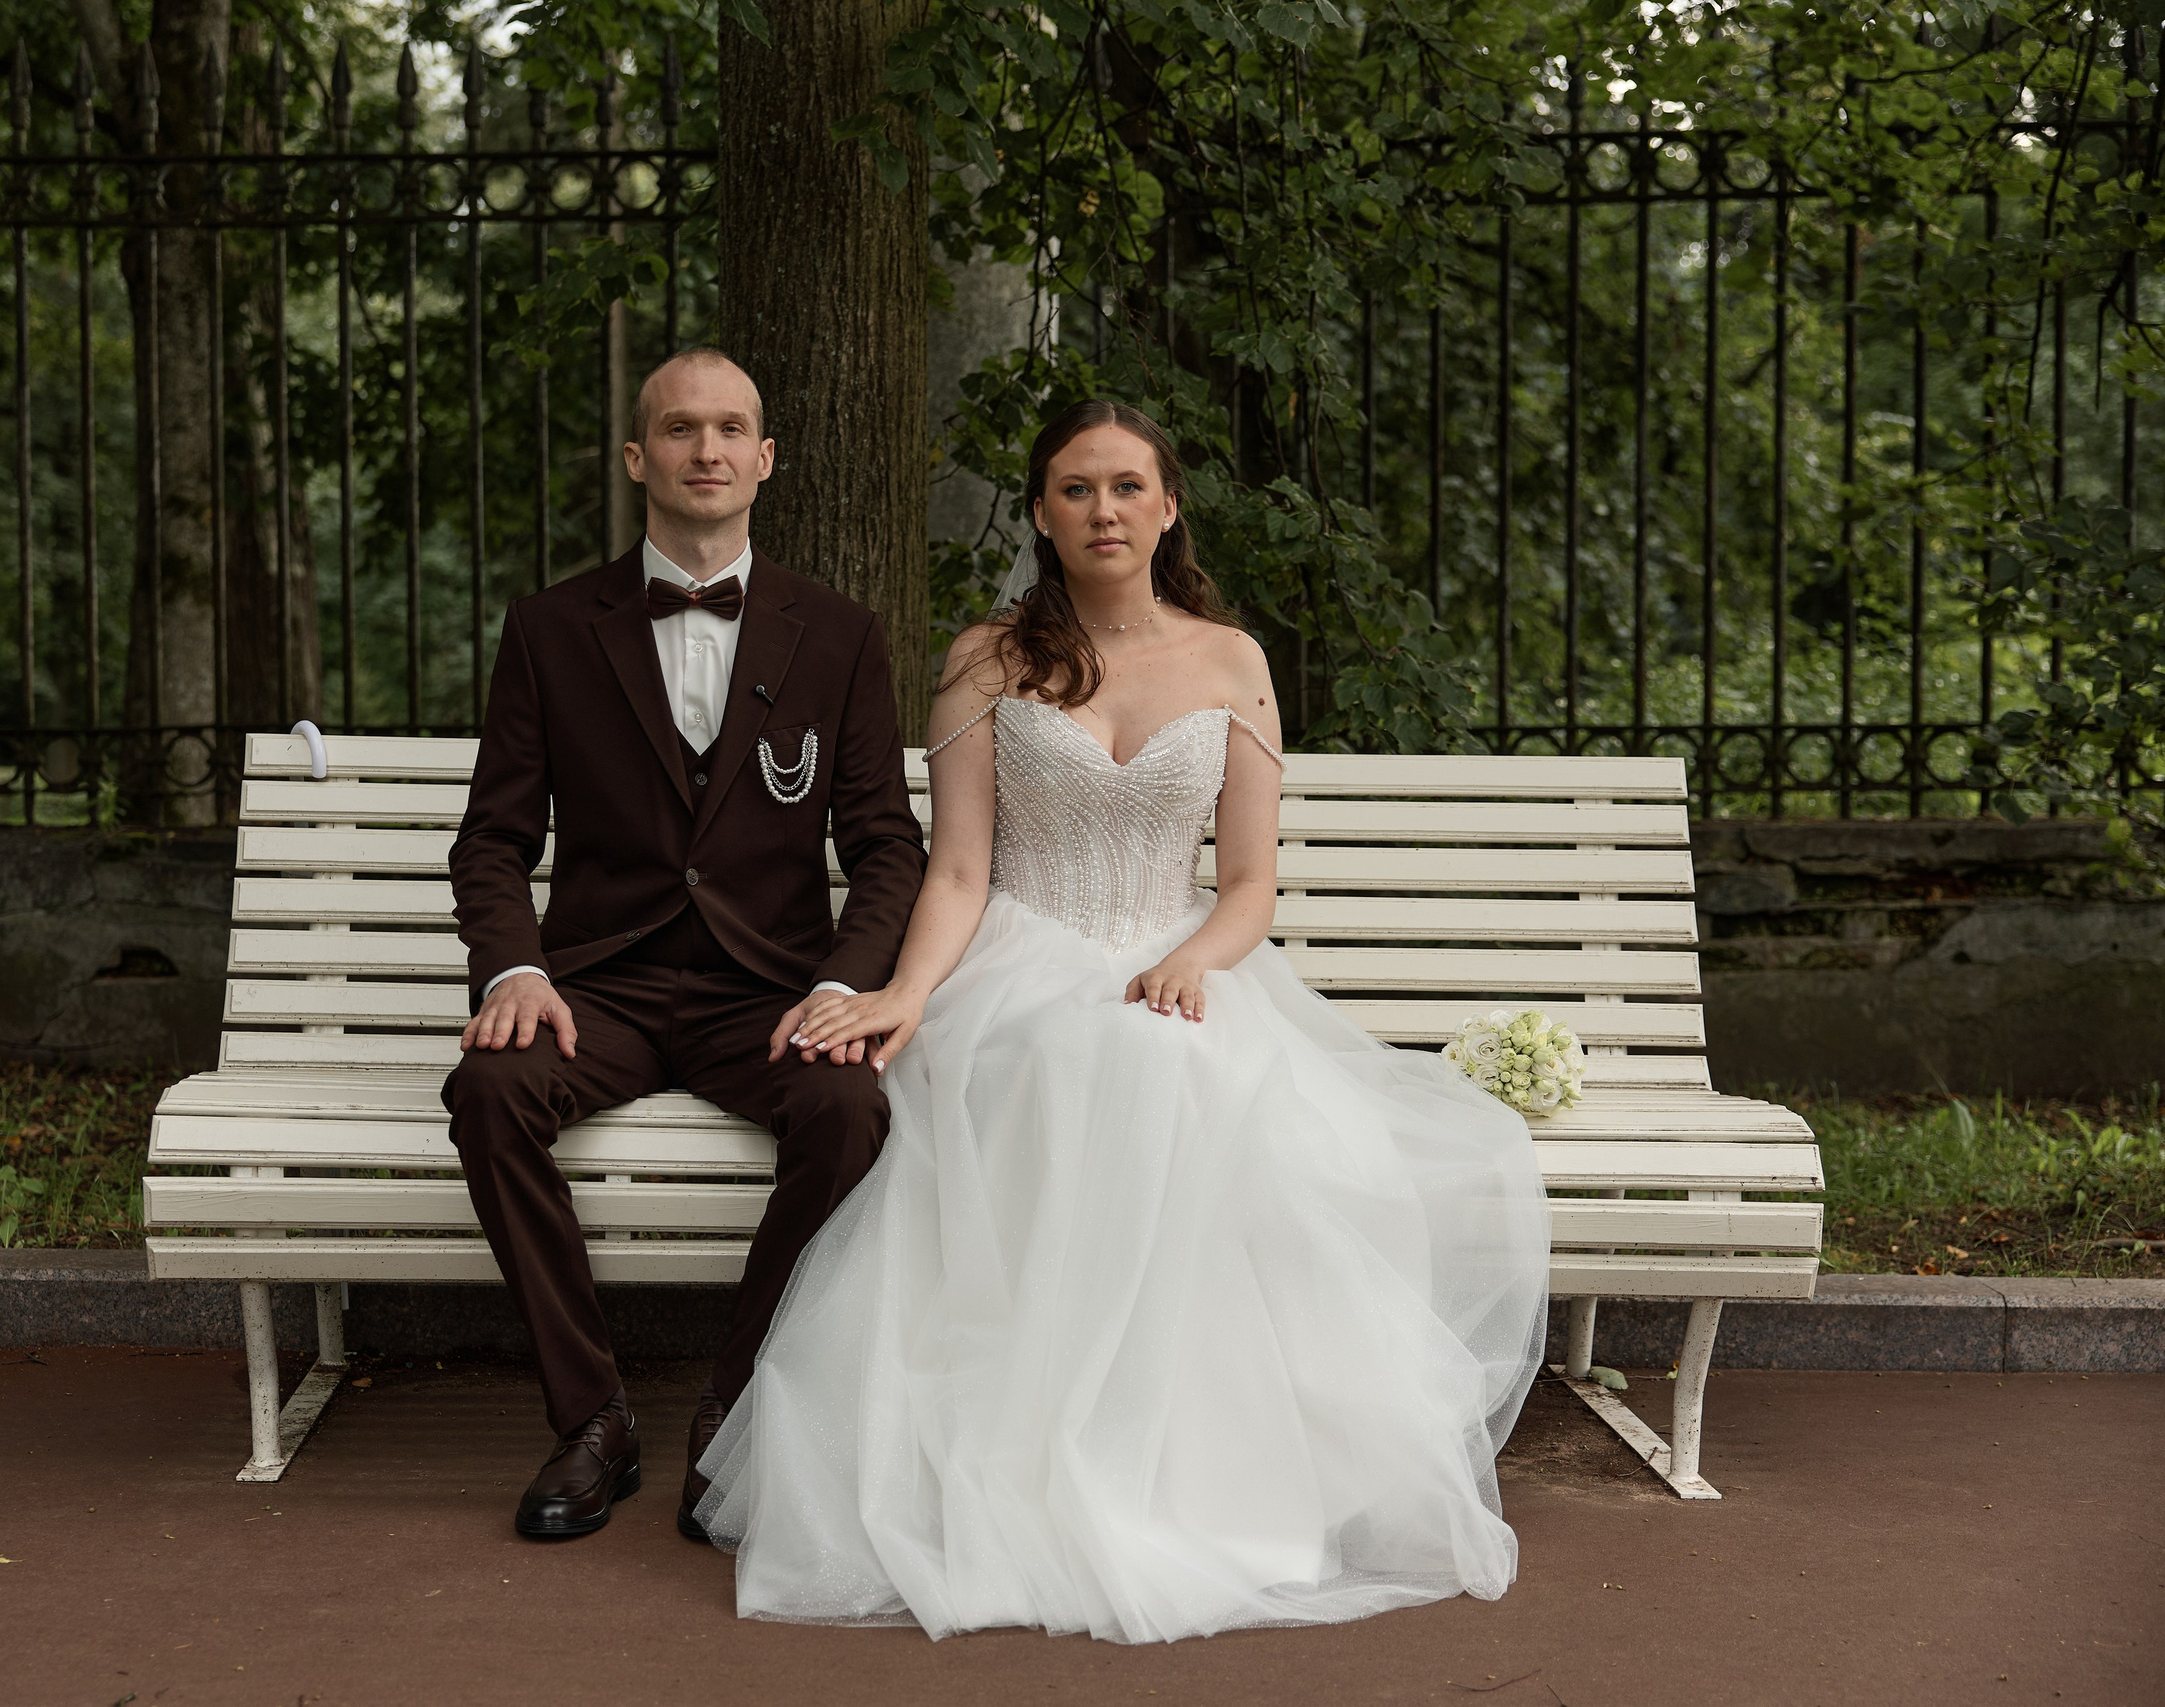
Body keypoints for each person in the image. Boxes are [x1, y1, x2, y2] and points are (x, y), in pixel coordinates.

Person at [691, 398, 1552, 1642]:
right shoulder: (989, 658)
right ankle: (1025, 1465)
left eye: (1126, 488)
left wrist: (1195, 960)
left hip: (1177, 949)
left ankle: (1191, 1478)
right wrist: (907, 995)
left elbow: (1249, 883)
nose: (1104, 510)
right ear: (1042, 513)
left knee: (1178, 1071)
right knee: (1069, 1062)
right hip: (1018, 959)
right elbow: (956, 874)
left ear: (1167, 506)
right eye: (1077, 489)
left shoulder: (1230, 659)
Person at [443, 347, 926, 1540]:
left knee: (850, 1112)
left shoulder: (842, 634)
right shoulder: (552, 629)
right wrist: (515, 971)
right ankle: (593, 1420)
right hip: (594, 992)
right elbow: (492, 841)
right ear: (636, 459)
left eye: (728, 430)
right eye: (676, 429)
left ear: (764, 460)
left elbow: (885, 848)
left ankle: (736, 1407)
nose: (704, 450)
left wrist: (840, 986)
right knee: (488, 1091)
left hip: (764, 994)